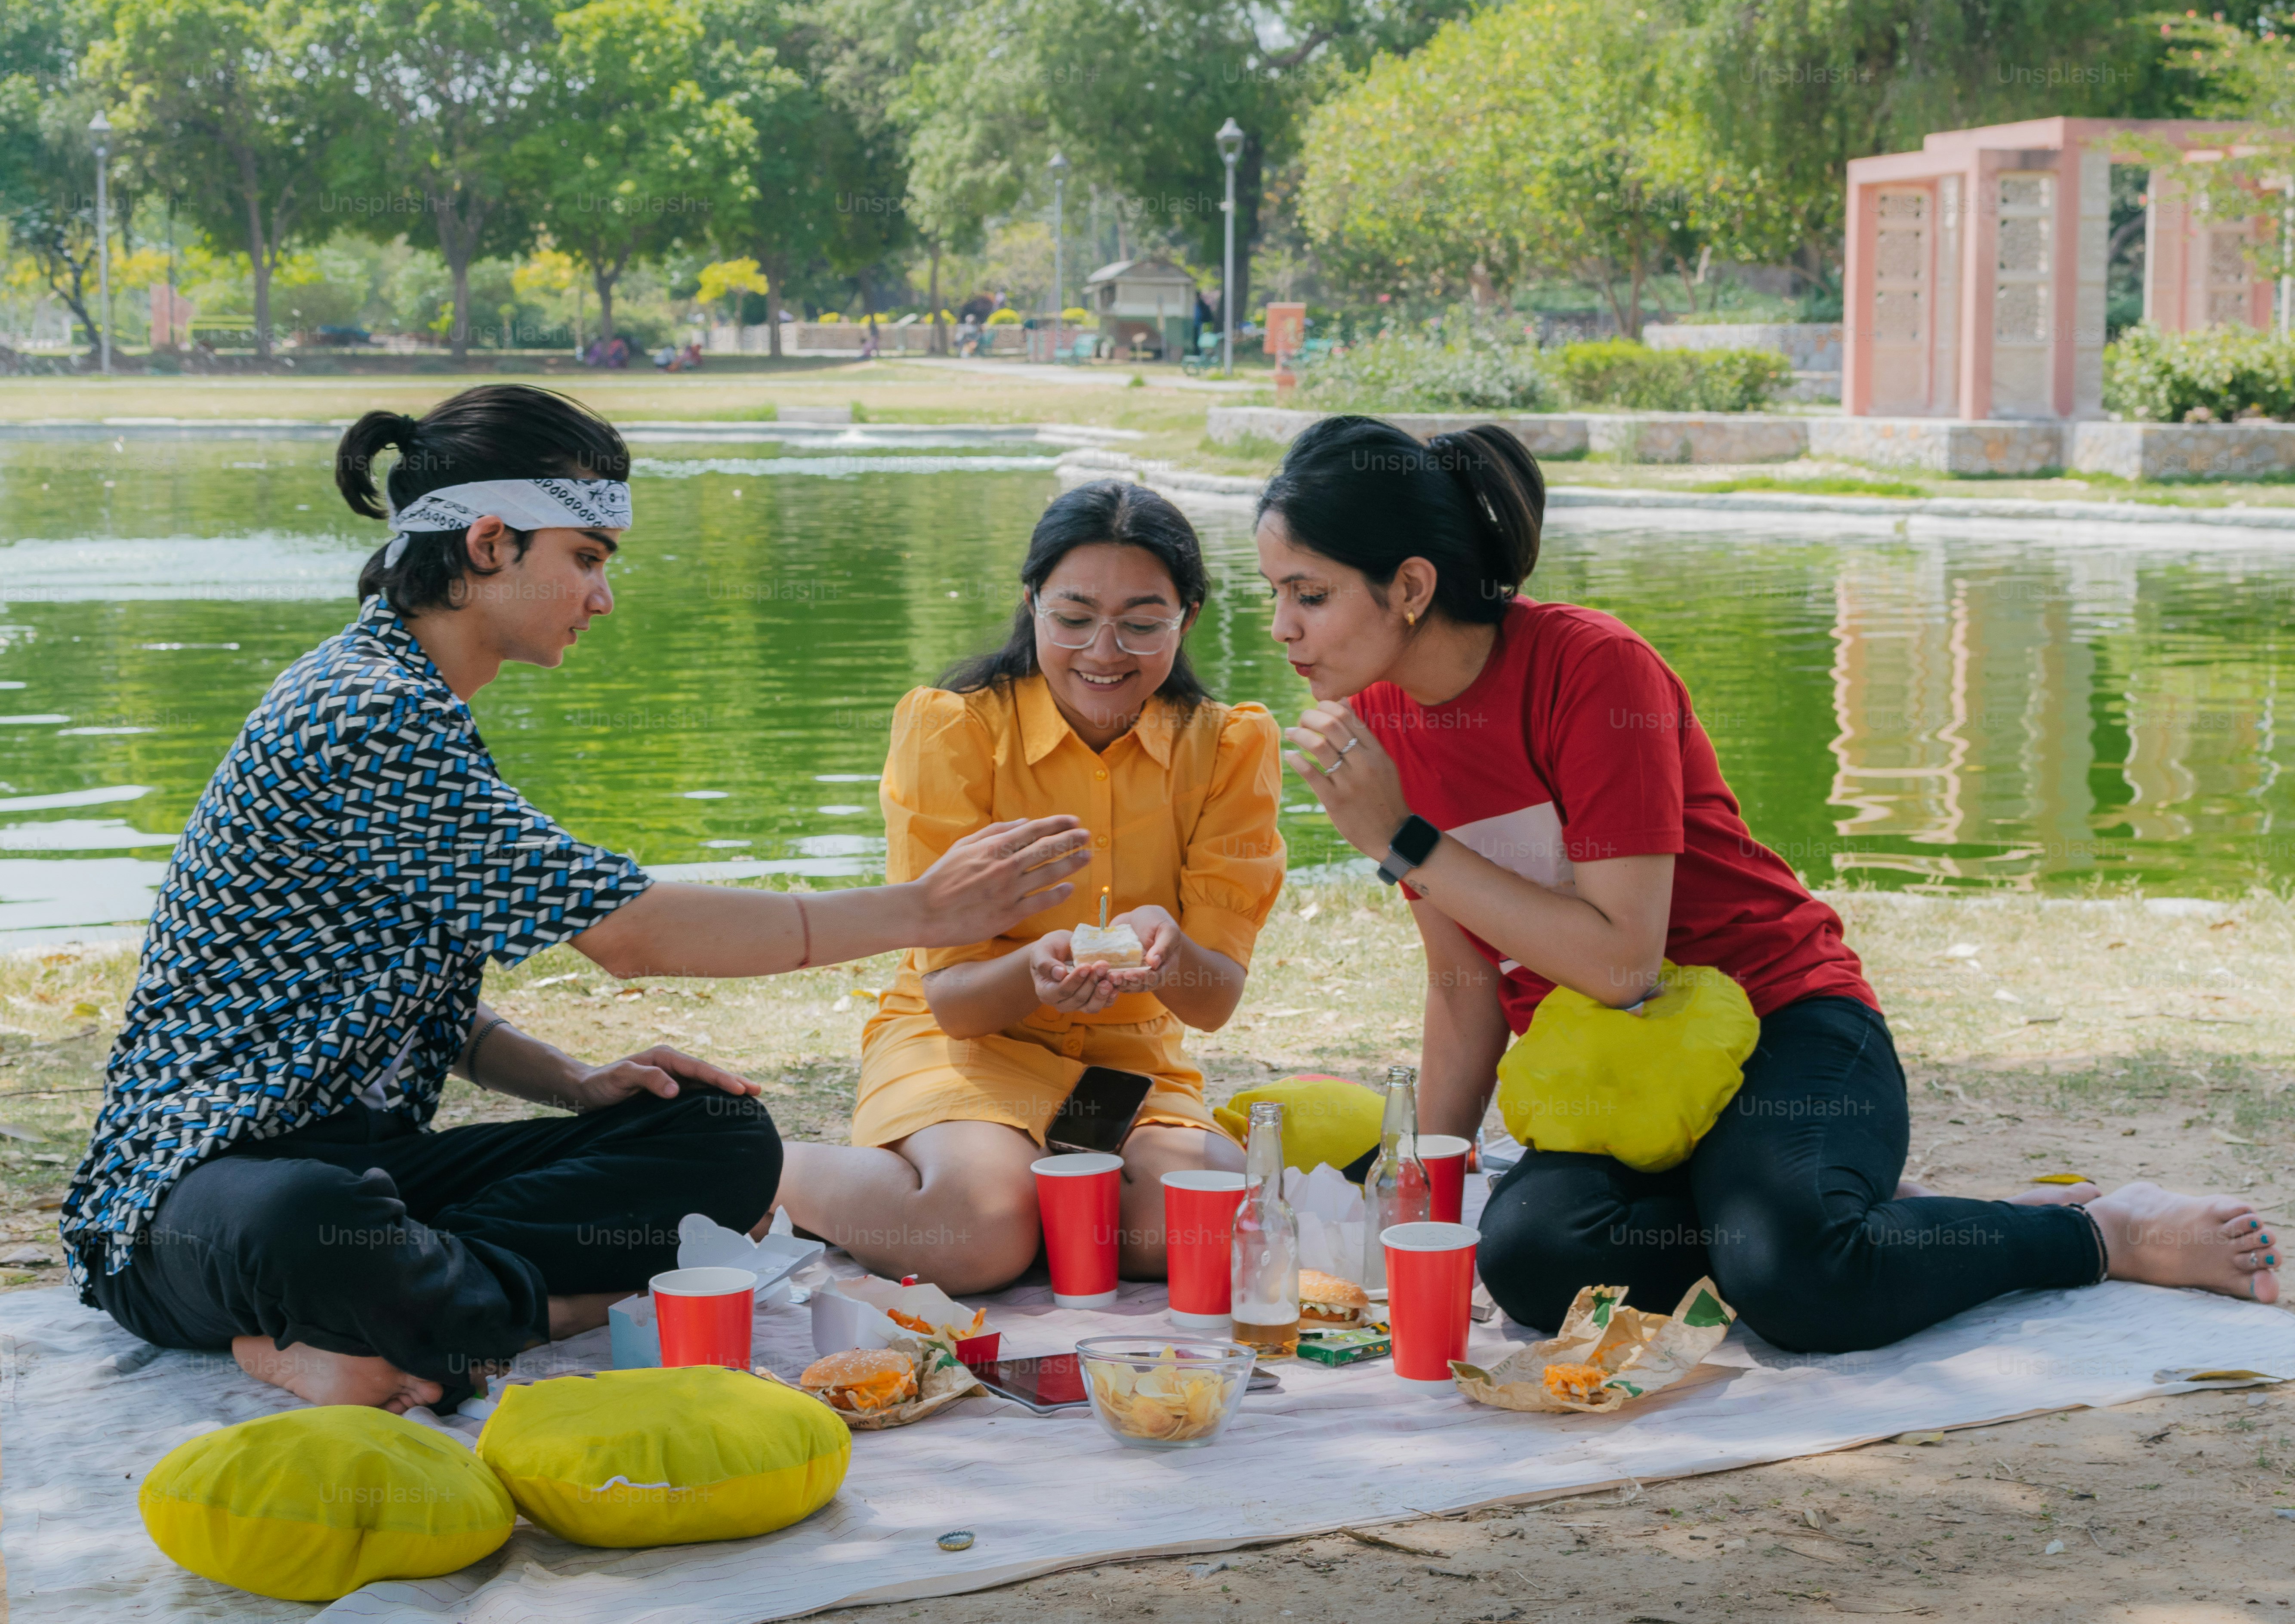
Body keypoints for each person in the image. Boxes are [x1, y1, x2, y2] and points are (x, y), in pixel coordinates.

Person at [62, 385, 1089, 1415]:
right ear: (489, 543)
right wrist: (923, 910)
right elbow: (631, 933)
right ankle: (430, 1319)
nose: (602, 598)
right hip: (192, 1203)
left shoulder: (418, 700)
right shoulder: (367, 712)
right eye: (587, 559)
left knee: (718, 1135)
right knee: (316, 1216)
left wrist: (573, 1083)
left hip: (376, 1177)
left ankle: (428, 1315)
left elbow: (416, 995)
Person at [1254, 415, 2280, 1352]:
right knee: (1528, 1258)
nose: (1284, 627)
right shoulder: (1381, 727)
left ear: (1414, 587)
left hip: (1790, 1025)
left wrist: (1406, 839)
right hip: (1630, 1083)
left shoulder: (1593, 671)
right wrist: (1433, 1192)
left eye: (1311, 594)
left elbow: (1621, 959)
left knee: (1790, 1274)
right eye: (1275, 596)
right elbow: (1462, 988)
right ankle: (1832, 1207)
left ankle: (2098, 1230)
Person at [777, 481, 1284, 1293]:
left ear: (1188, 617)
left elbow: (1213, 999)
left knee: (1219, 1227)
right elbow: (952, 1001)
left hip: (1125, 1067)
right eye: (1074, 618)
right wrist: (1034, 972)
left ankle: (1039, 1201)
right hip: (970, 1046)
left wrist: (1170, 951)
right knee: (973, 1238)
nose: (1104, 652)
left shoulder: (1227, 746)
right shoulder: (957, 729)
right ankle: (776, 1171)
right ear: (1031, 604)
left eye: (1142, 623)